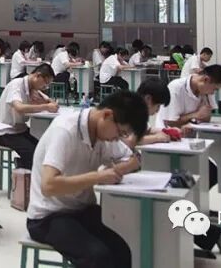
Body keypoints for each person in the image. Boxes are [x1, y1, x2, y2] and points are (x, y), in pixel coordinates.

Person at [24, 91, 147, 268]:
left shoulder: (102, 135)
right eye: (120, 132)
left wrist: (117, 170)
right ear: (107, 115)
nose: (116, 139)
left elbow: (132, 158)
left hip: (81, 210)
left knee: (122, 251)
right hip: (48, 217)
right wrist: (97, 177)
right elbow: (48, 185)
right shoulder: (65, 130)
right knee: (97, 257)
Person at [137, 80, 221, 257]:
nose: (157, 111)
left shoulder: (135, 111)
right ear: (148, 99)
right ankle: (217, 236)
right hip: (129, 171)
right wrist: (158, 138)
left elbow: (145, 130)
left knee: (180, 190)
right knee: (170, 201)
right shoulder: (127, 111)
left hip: (133, 168)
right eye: (158, 106)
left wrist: (163, 132)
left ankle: (215, 235)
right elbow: (130, 140)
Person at [0, 63, 57, 168]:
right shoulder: (16, 85)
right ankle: (22, 169)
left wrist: (44, 101)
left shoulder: (32, 89)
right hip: (6, 131)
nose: (45, 87)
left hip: (20, 129)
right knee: (33, 154)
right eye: (45, 84)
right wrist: (46, 106)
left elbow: (51, 102)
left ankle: (23, 165)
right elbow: (19, 108)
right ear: (38, 76)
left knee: (42, 149)